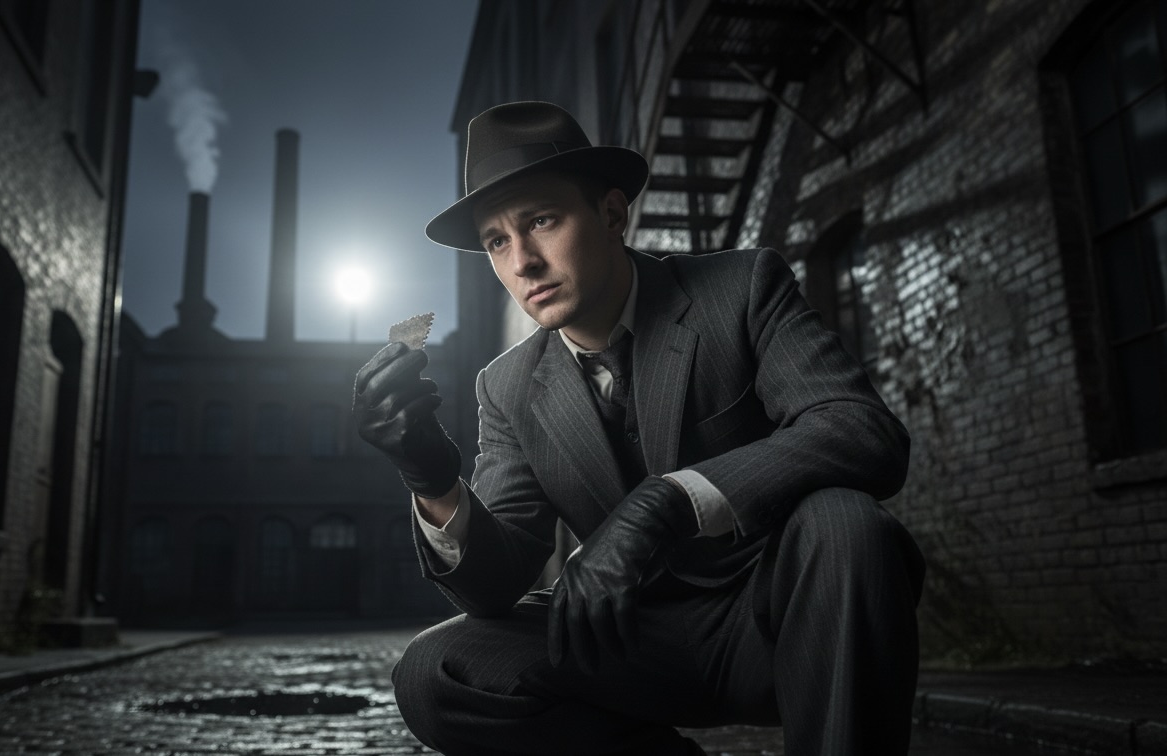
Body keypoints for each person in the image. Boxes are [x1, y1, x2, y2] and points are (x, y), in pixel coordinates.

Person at [353, 101, 925, 756]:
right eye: (497, 241)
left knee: (846, 523)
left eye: (541, 220)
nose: (523, 262)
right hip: (624, 641)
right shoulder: (505, 386)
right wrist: (430, 478)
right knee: (436, 672)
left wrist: (662, 504)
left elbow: (862, 430)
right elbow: (495, 585)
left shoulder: (739, 289)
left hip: (783, 621)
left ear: (612, 214)